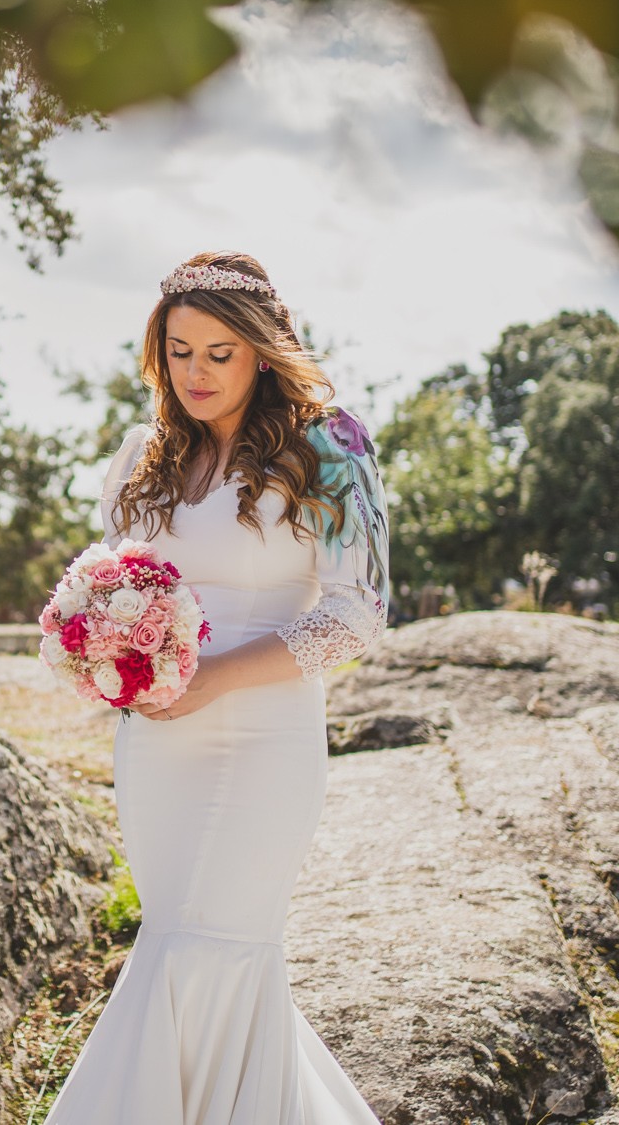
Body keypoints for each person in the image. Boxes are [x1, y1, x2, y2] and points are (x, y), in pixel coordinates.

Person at [43, 250, 386, 1125]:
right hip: (157, 746)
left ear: (263, 353)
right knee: (174, 941)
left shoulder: (331, 445)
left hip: (266, 738)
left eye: (218, 353)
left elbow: (357, 614)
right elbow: (121, 592)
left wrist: (215, 677)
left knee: (220, 946)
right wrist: (108, 658)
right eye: (178, 350)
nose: (194, 372)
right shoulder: (139, 459)